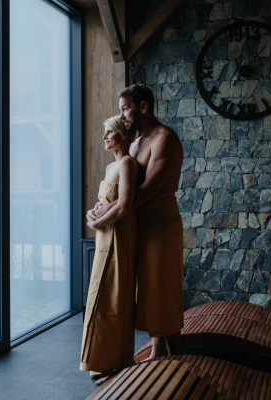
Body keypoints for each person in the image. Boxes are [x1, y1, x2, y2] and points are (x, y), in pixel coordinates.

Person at [87, 84, 184, 362]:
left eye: (124, 108)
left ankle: (177, 355)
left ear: (143, 107)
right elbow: (124, 188)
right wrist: (101, 207)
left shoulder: (165, 138)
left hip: (160, 222)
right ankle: (156, 349)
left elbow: (148, 190)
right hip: (135, 221)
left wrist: (107, 214)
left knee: (162, 286)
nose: (121, 114)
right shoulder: (137, 141)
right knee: (146, 287)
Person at [80, 116, 138, 385]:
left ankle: (115, 363)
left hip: (118, 236)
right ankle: (102, 361)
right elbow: (105, 201)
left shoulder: (127, 164)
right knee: (99, 297)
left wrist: (98, 222)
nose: (104, 136)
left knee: (115, 297)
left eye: (109, 132)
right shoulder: (110, 166)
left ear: (123, 136)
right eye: (103, 132)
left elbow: (125, 206)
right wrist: (93, 214)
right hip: (105, 235)